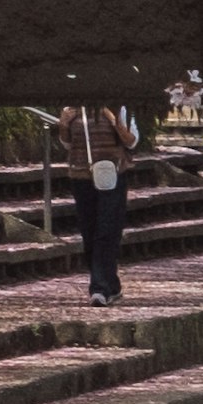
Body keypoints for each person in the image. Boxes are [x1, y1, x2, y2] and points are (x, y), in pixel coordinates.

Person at [58, 94, 135, 308]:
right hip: (81, 176)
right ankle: (111, 284)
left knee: (107, 229)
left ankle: (99, 288)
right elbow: (66, 143)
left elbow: (131, 140)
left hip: (112, 175)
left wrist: (114, 120)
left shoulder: (118, 107)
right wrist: (64, 124)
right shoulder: (71, 109)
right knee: (89, 230)